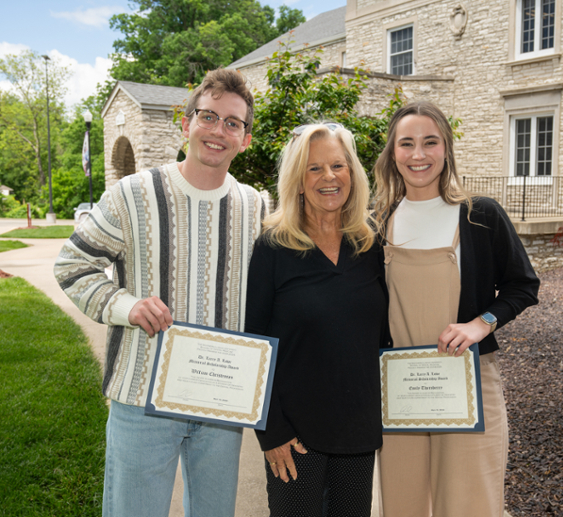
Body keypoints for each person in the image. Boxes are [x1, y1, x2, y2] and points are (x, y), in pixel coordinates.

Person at [54, 68, 266, 517]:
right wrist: (126, 305)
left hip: (222, 403)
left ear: (245, 139)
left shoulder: (257, 206)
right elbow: (73, 266)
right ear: (186, 123)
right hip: (140, 396)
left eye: (233, 123)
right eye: (208, 117)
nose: (218, 131)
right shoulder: (133, 194)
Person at [372, 101, 540, 517]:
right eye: (406, 144)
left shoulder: (479, 215)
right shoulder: (377, 223)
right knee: (402, 505)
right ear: (393, 154)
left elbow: (523, 285)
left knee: (469, 505)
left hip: (469, 386)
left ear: (445, 148)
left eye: (430, 142)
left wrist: (481, 323)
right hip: (401, 390)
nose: (419, 155)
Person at [244, 123, 390, 517]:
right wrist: (270, 431)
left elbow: (382, 336)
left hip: (357, 433)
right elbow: (254, 343)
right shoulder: (273, 245)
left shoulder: (369, 242)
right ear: (298, 180)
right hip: (294, 437)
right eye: (314, 169)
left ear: (352, 174)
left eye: (338, 166)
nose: (329, 177)